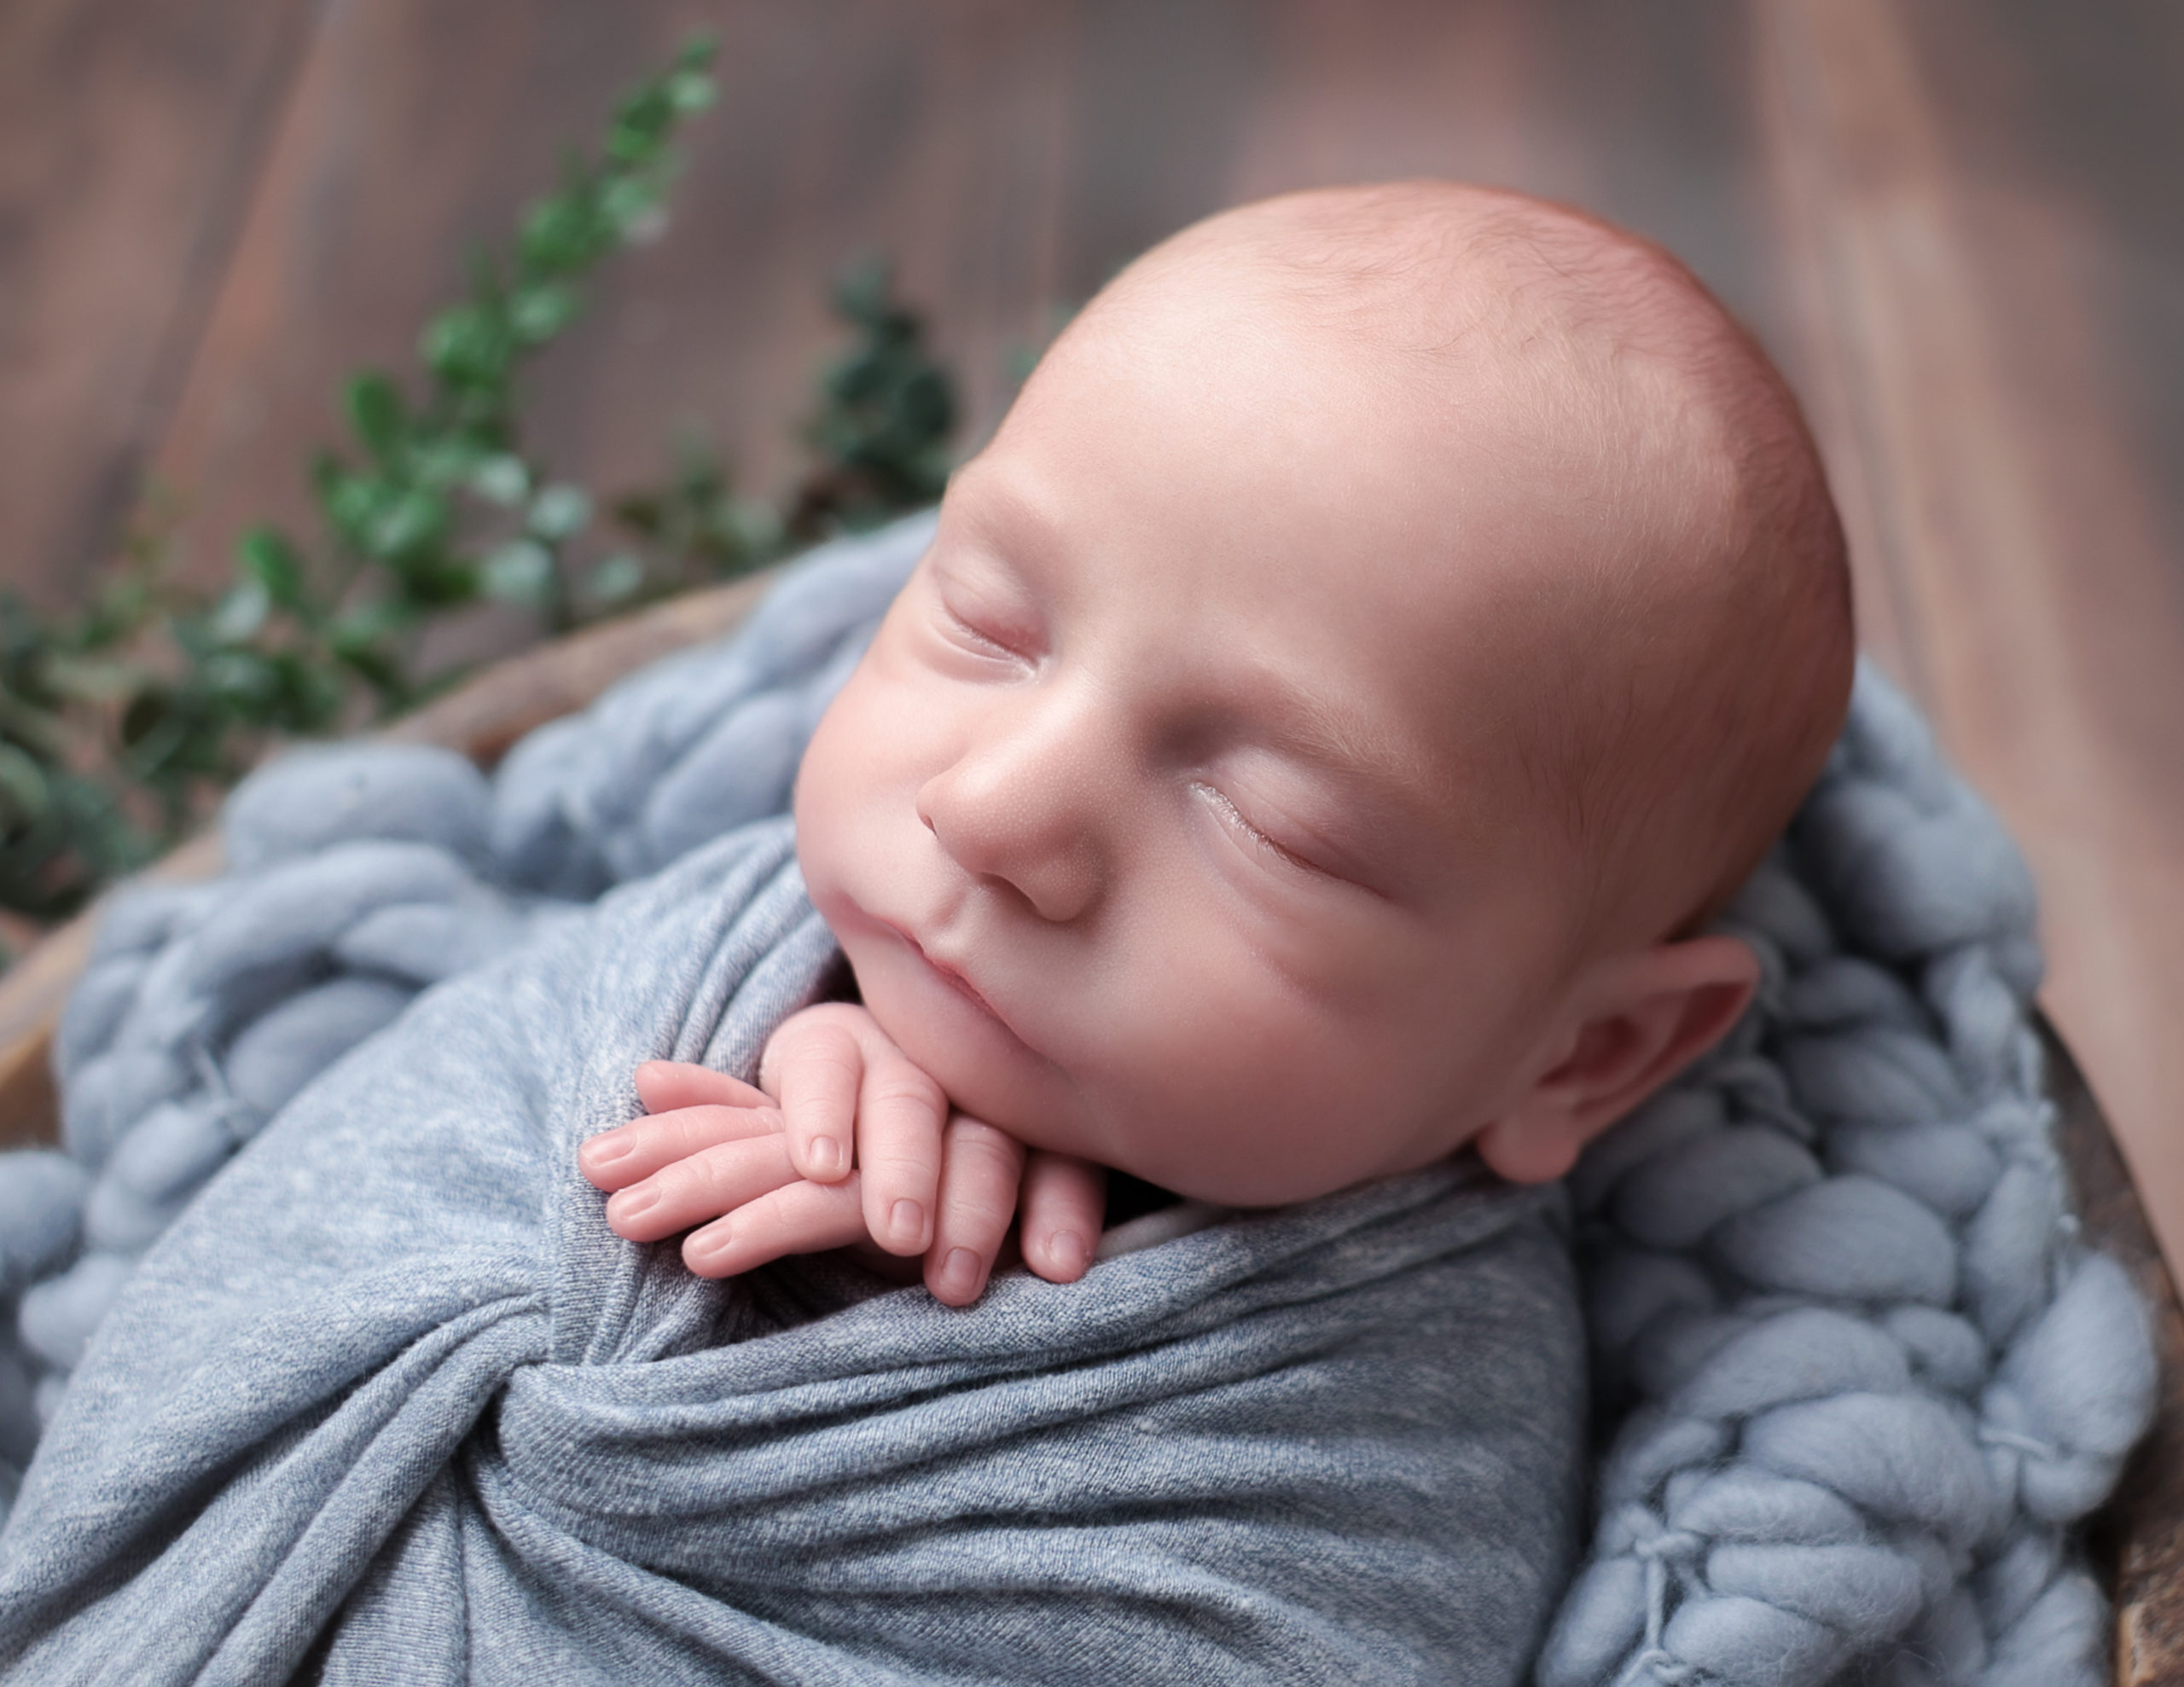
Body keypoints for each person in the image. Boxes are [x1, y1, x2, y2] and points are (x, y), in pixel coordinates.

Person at [578, 179, 1854, 1305]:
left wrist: (876, 1291)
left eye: (1268, 819)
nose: (990, 808)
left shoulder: (1411, 1397)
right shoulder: (736, 907)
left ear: (1579, 1055)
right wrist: (780, 1043)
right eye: (987, 624)